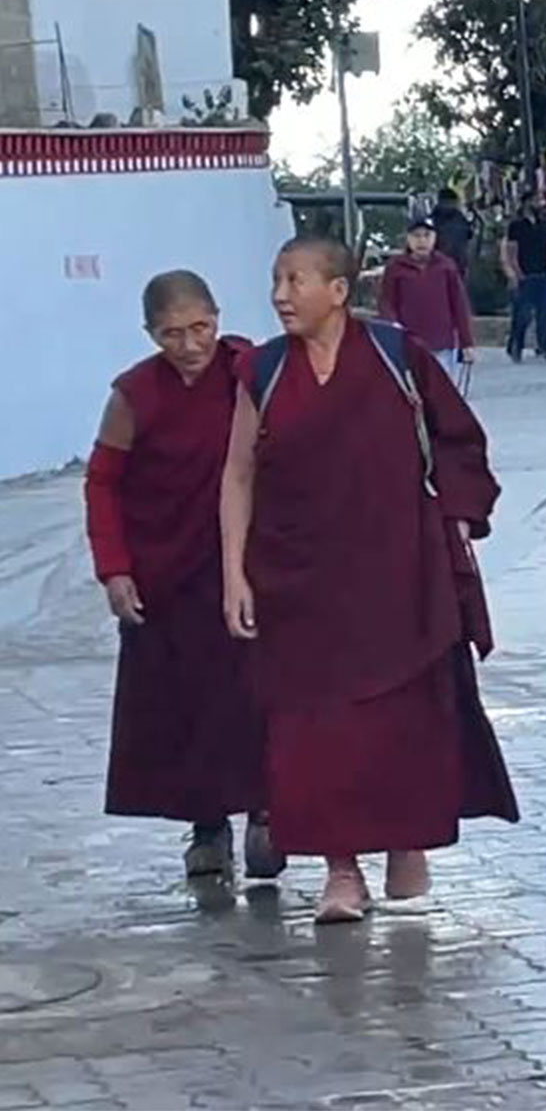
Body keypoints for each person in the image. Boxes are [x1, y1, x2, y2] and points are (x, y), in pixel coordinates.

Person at [220, 236, 519, 925]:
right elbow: (237, 475)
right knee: (315, 732)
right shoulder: (261, 372)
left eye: (295, 280)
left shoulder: (394, 356)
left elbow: (457, 437)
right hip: (299, 578)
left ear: (338, 290)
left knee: (405, 719)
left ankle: (405, 840)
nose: (280, 295)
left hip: (398, 569)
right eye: (275, 280)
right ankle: (340, 869)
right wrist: (234, 570)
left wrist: (463, 515)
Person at [84, 271, 281, 883]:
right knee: (186, 705)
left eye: (201, 328)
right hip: (166, 572)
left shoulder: (251, 370)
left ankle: (267, 814)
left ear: (218, 318)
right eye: (172, 334)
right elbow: (103, 483)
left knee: (258, 694)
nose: (191, 346)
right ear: (150, 334)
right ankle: (208, 828)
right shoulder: (134, 394)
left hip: (249, 563)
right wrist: (114, 570)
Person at [379, 215, 476, 384]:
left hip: (443, 344)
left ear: (434, 238)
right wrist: (393, 326)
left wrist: (467, 343)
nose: (422, 241)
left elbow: (459, 305)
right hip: (409, 344)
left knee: (443, 392)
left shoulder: (446, 266)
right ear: (408, 239)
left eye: (426, 235)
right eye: (416, 236)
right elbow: (386, 302)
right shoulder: (395, 267)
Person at [502, 196, 546, 363]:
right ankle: (515, 347)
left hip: (544, 274)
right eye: (536, 201)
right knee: (522, 314)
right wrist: (516, 272)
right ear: (526, 203)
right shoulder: (516, 226)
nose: (540, 204)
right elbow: (512, 250)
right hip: (525, 275)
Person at [431, 186, 475, 276]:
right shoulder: (461, 219)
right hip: (458, 265)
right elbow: (470, 235)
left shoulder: (431, 219)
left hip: (436, 266)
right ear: (454, 201)